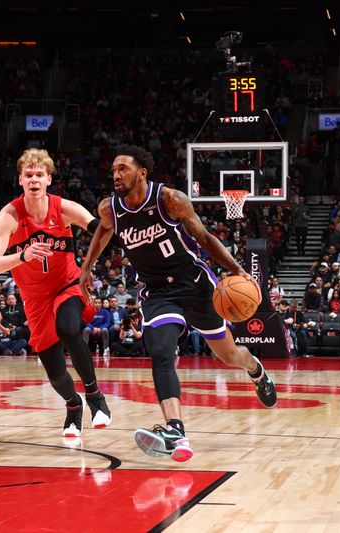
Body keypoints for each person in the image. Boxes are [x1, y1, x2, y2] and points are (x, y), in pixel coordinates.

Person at [79, 144, 276, 462]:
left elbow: (205, 238)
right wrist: (86, 267)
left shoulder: (169, 199)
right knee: (160, 351)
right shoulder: (109, 208)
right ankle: (175, 430)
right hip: (157, 293)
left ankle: (256, 370)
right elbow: (102, 231)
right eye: (113, 169)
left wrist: (238, 270)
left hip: (195, 285)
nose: (116, 174)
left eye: (123, 169)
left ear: (141, 173)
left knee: (228, 355)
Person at [0, 148, 111, 438]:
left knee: (68, 328)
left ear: (49, 179)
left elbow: (100, 229)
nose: (34, 179)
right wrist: (23, 256)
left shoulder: (63, 208)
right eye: (29, 175)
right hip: (35, 298)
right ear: (20, 181)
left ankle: (95, 397)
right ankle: (73, 405)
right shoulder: (10, 216)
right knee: (54, 373)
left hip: (68, 284)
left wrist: (110, 235)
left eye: (39, 174)